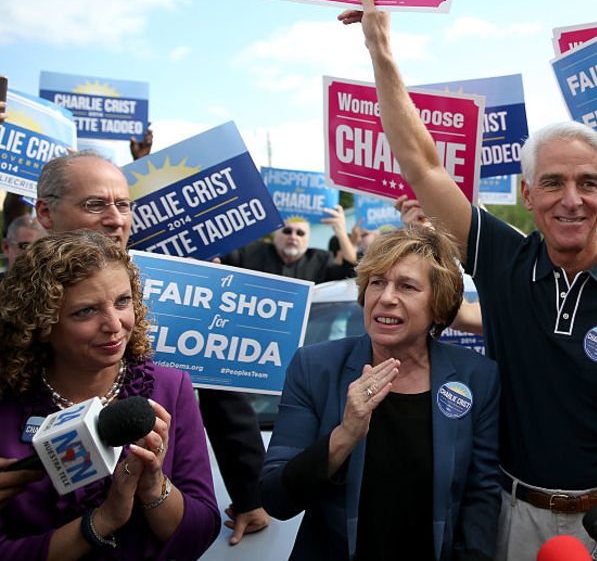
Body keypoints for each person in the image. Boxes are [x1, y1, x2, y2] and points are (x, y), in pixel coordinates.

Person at [341, 0, 597, 558]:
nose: (570, 200)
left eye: (586, 183)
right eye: (552, 183)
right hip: (516, 518)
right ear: (528, 193)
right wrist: (380, 50)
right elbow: (423, 165)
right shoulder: (504, 260)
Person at [32, 150, 271, 544]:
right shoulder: (14, 305)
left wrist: (249, 493)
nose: (115, 219)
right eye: (95, 205)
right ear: (45, 213)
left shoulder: (173, 287)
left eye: (123, 205)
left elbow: (219, 389)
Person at [261, 225, 500, 560]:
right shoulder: (315, 367)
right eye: (377, 282)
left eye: (406, 286)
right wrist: (345, 434)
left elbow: (482, 496)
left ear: (440, 306)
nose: (386, 297)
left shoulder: (477, 377)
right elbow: (276, 498)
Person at [0, 230, 220, 558]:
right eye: (86, 311)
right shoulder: (8, 402)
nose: (114, 324)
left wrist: (153, 486)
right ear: (42, 322)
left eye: (122, 301)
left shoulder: (170, 387)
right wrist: (101, 522)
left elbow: (200, 532)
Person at [222, 210, 357, 282]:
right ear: (275, 234)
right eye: (287, 231)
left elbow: (351, 270)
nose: (293, 236)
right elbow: (220, 255)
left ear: (307, 238)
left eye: (300, 233)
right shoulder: (250, 252)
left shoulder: (321, 260)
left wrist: (341, 233)